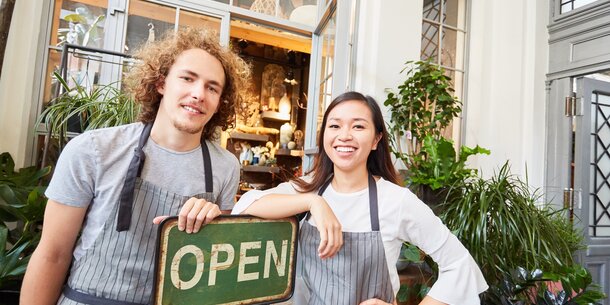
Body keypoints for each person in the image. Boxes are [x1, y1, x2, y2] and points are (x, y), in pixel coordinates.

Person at [21, 27, 250, 305]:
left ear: (220, 103)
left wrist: (216, 224)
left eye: (212, 87)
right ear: (161, 83)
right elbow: (52, 254)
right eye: (187, 79)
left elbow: (216, 264)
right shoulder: (94, 150)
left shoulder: (225, 167)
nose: (198, 94)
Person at [231, 91, 488, 305]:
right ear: (324, 137)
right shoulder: (309, 188)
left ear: (376, 139)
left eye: (358, 126)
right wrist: (313, 203)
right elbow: (246, 205)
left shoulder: (396, 201)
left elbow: (459, 265)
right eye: (335, 125)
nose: (344, 135)